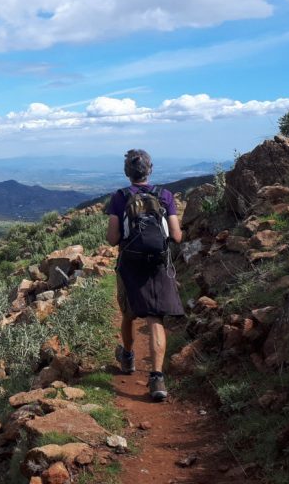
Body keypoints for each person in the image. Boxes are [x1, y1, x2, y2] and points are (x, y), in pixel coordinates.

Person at [105, 149, 184, 401]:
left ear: (127, 172)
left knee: (128, 314)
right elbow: (176, 236)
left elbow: (113, 238)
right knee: (155, 319)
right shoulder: (165, 196)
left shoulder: (120, 197)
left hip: (130, 263)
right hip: (159, 264)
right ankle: (157, 378)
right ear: (150, 169)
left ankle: (128, 358)